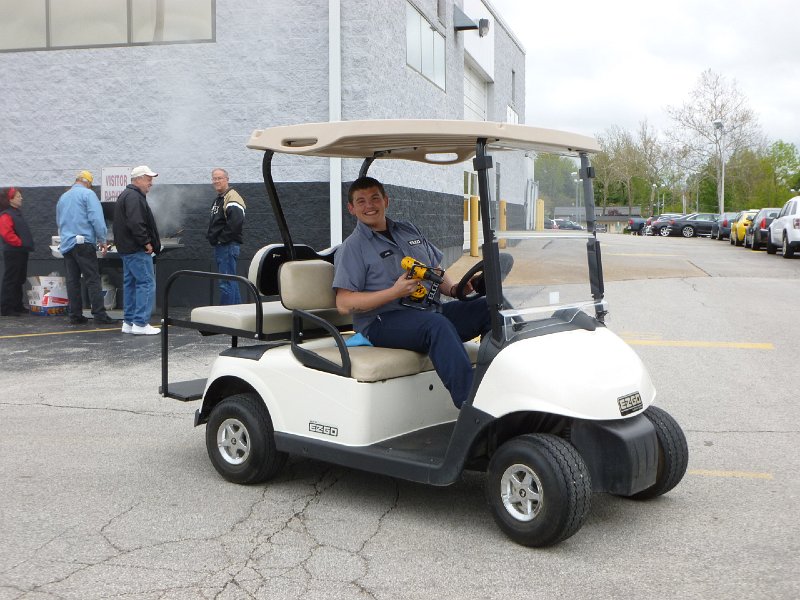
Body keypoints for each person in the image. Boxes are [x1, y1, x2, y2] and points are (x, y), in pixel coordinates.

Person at [333, 176, 491, 409]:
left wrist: (455, 289)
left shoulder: (408, 230)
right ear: (351, 208)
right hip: (381, 322)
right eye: (361, 201)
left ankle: (501, 388)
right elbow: (344, 303)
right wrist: (394, 292)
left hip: (428, 311)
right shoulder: (353, 247)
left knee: (492, 308)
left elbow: (435, 271)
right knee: (436, 326)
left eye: (375, 198)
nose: (370, 206)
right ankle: (475, 409)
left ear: (386, 201)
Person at [56, 170, 117, 325]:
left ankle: (75, 315)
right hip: (83, 244)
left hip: (67, 244)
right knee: (92, 279)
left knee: (72, 281)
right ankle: (99, 315)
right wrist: (103, 239)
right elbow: (96, 218)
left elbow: (59, 221)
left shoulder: (63, 197)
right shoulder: (88, 195)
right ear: (89, 183)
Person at [113, 165, 161, 335]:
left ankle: (129, 322)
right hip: (137, 249)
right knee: (146, 283)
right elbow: (136, 223)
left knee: (131, 284)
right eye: (148, 179)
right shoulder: (134, 197)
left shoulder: (126, 195)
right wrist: (147, 242)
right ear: (138, 179)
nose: (151, 183)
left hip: (127, 249)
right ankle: (140, 323)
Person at [206, 168, 246, 304]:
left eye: (219, 178)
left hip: (227, 246)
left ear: (227, 179)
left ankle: (227, 316)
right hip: (223, 246)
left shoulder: (232, 197)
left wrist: (220, 240)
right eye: (214, 178)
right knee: (230, 282)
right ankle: (237, 314)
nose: (216, 181)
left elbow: (235, 223)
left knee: (226, 283)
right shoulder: (219, 199)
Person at [0, 187, 34, 316]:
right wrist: (20, 243)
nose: (21, 198)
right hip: (13, 251)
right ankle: (6, 307)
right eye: (18, 196)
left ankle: (17, 305)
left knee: (19, 278)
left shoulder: (15, 212)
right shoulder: (6, 215)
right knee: (11, 279)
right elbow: (7, 234)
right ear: (11, 199)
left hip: (20, 251)